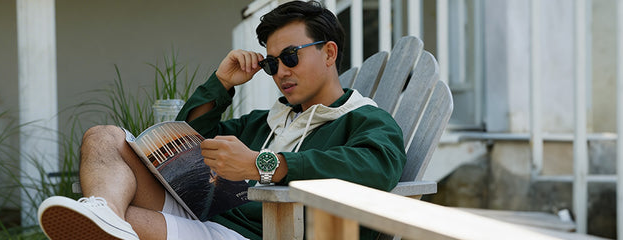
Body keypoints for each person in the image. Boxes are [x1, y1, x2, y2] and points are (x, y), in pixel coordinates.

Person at [36, 1, 405, 239]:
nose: (280, 71)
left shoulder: (366, 121)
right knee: (104, 137)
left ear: (329, 53)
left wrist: (263, 164)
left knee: (103, 232)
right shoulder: (266, 124)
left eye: (290, 56)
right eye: (272, 63)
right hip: (208, 219)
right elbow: (181, 143)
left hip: (263, 234)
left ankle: (108, 220)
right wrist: (222, 83)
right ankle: (105, 213)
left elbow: (375, 169)